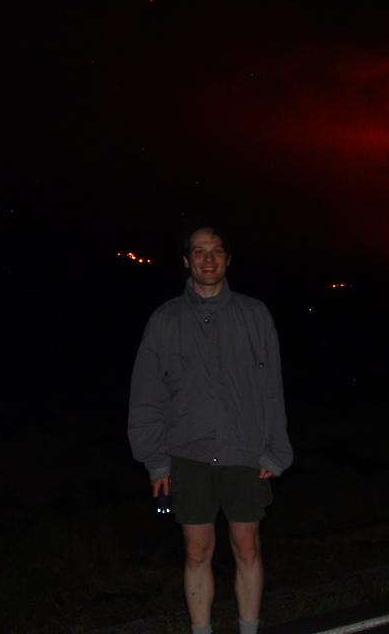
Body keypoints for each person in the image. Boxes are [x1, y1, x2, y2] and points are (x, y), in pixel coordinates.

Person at [128, 226, 293, 634]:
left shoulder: (255, 315)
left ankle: (248, 629)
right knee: (197, 552)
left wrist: (276, 450)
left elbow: (272, 387)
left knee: (247, 547)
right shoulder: (165, 320)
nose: (208, 259)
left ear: (228, 259)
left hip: (243, 452)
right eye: (199, 252)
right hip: (188, 455)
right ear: (186, 261)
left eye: (216, 251)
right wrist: (156, 461)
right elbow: (147, 394)